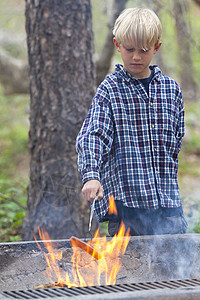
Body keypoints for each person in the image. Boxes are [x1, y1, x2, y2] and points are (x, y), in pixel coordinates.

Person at [76, 7, 188, 236]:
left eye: (144, 50)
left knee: (179, 270)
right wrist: (91, 175)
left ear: (156, 47)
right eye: (129, 49)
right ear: (117, 45)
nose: (136, 56)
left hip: (168, 212)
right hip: (127, 212)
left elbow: (175, 143)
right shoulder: (110, 90)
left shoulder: (171, 90)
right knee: (127, 271)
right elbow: (93, 135)